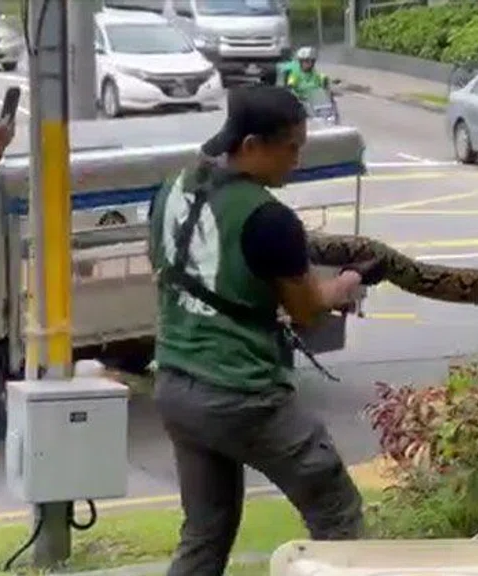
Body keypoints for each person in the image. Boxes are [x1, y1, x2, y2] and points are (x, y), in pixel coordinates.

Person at [146, 85, 385, 576]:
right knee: (337, 514)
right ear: (251, 145)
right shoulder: (270, 219)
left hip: (175, 384)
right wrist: (348, 282)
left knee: (205, 533)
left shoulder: (170, 190)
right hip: (242, 394)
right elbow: (308, 312)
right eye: (291, 147)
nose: (297, 160)